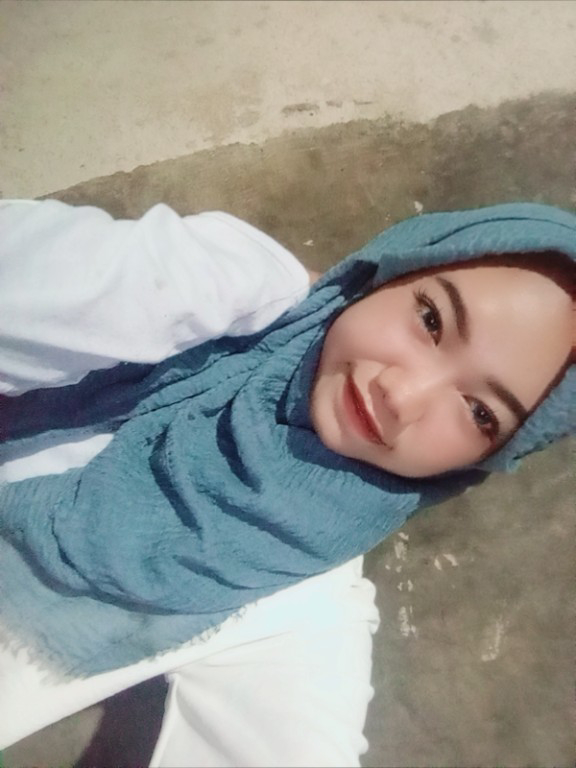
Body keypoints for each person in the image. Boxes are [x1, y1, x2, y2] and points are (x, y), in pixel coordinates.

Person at [0, 198, 574, 765]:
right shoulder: (226, 292)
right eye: (431, 320)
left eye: (480, 413)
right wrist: (208, 279)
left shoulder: (302, 611)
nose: (402, 396)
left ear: (487, 459)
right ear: (392, 270)